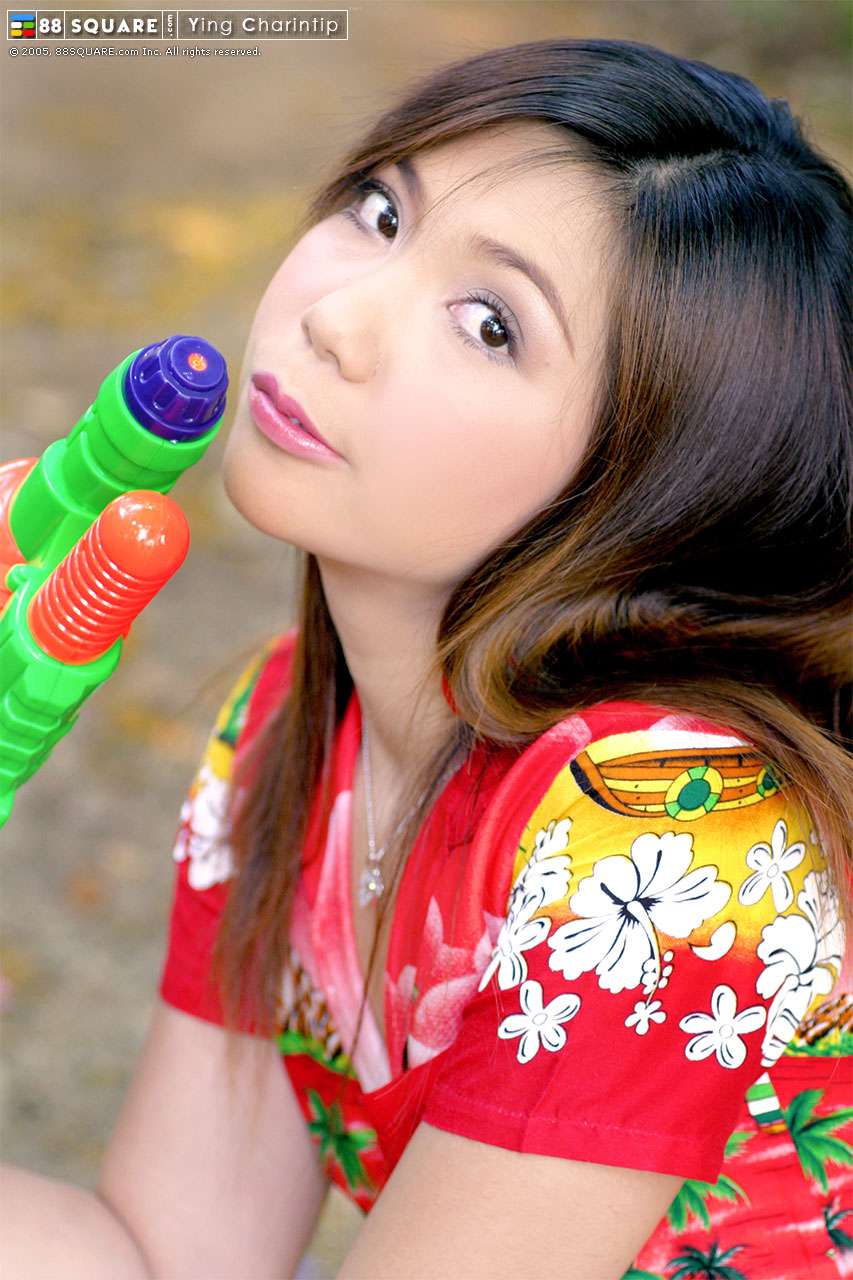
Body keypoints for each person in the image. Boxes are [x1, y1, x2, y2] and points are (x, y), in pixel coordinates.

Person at [2, 35, 851, 1280]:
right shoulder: (286, 731)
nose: (335, 317)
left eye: (490, 324)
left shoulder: (670, 832)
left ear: (656, 484)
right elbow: (164, 1253)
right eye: (380, 210)